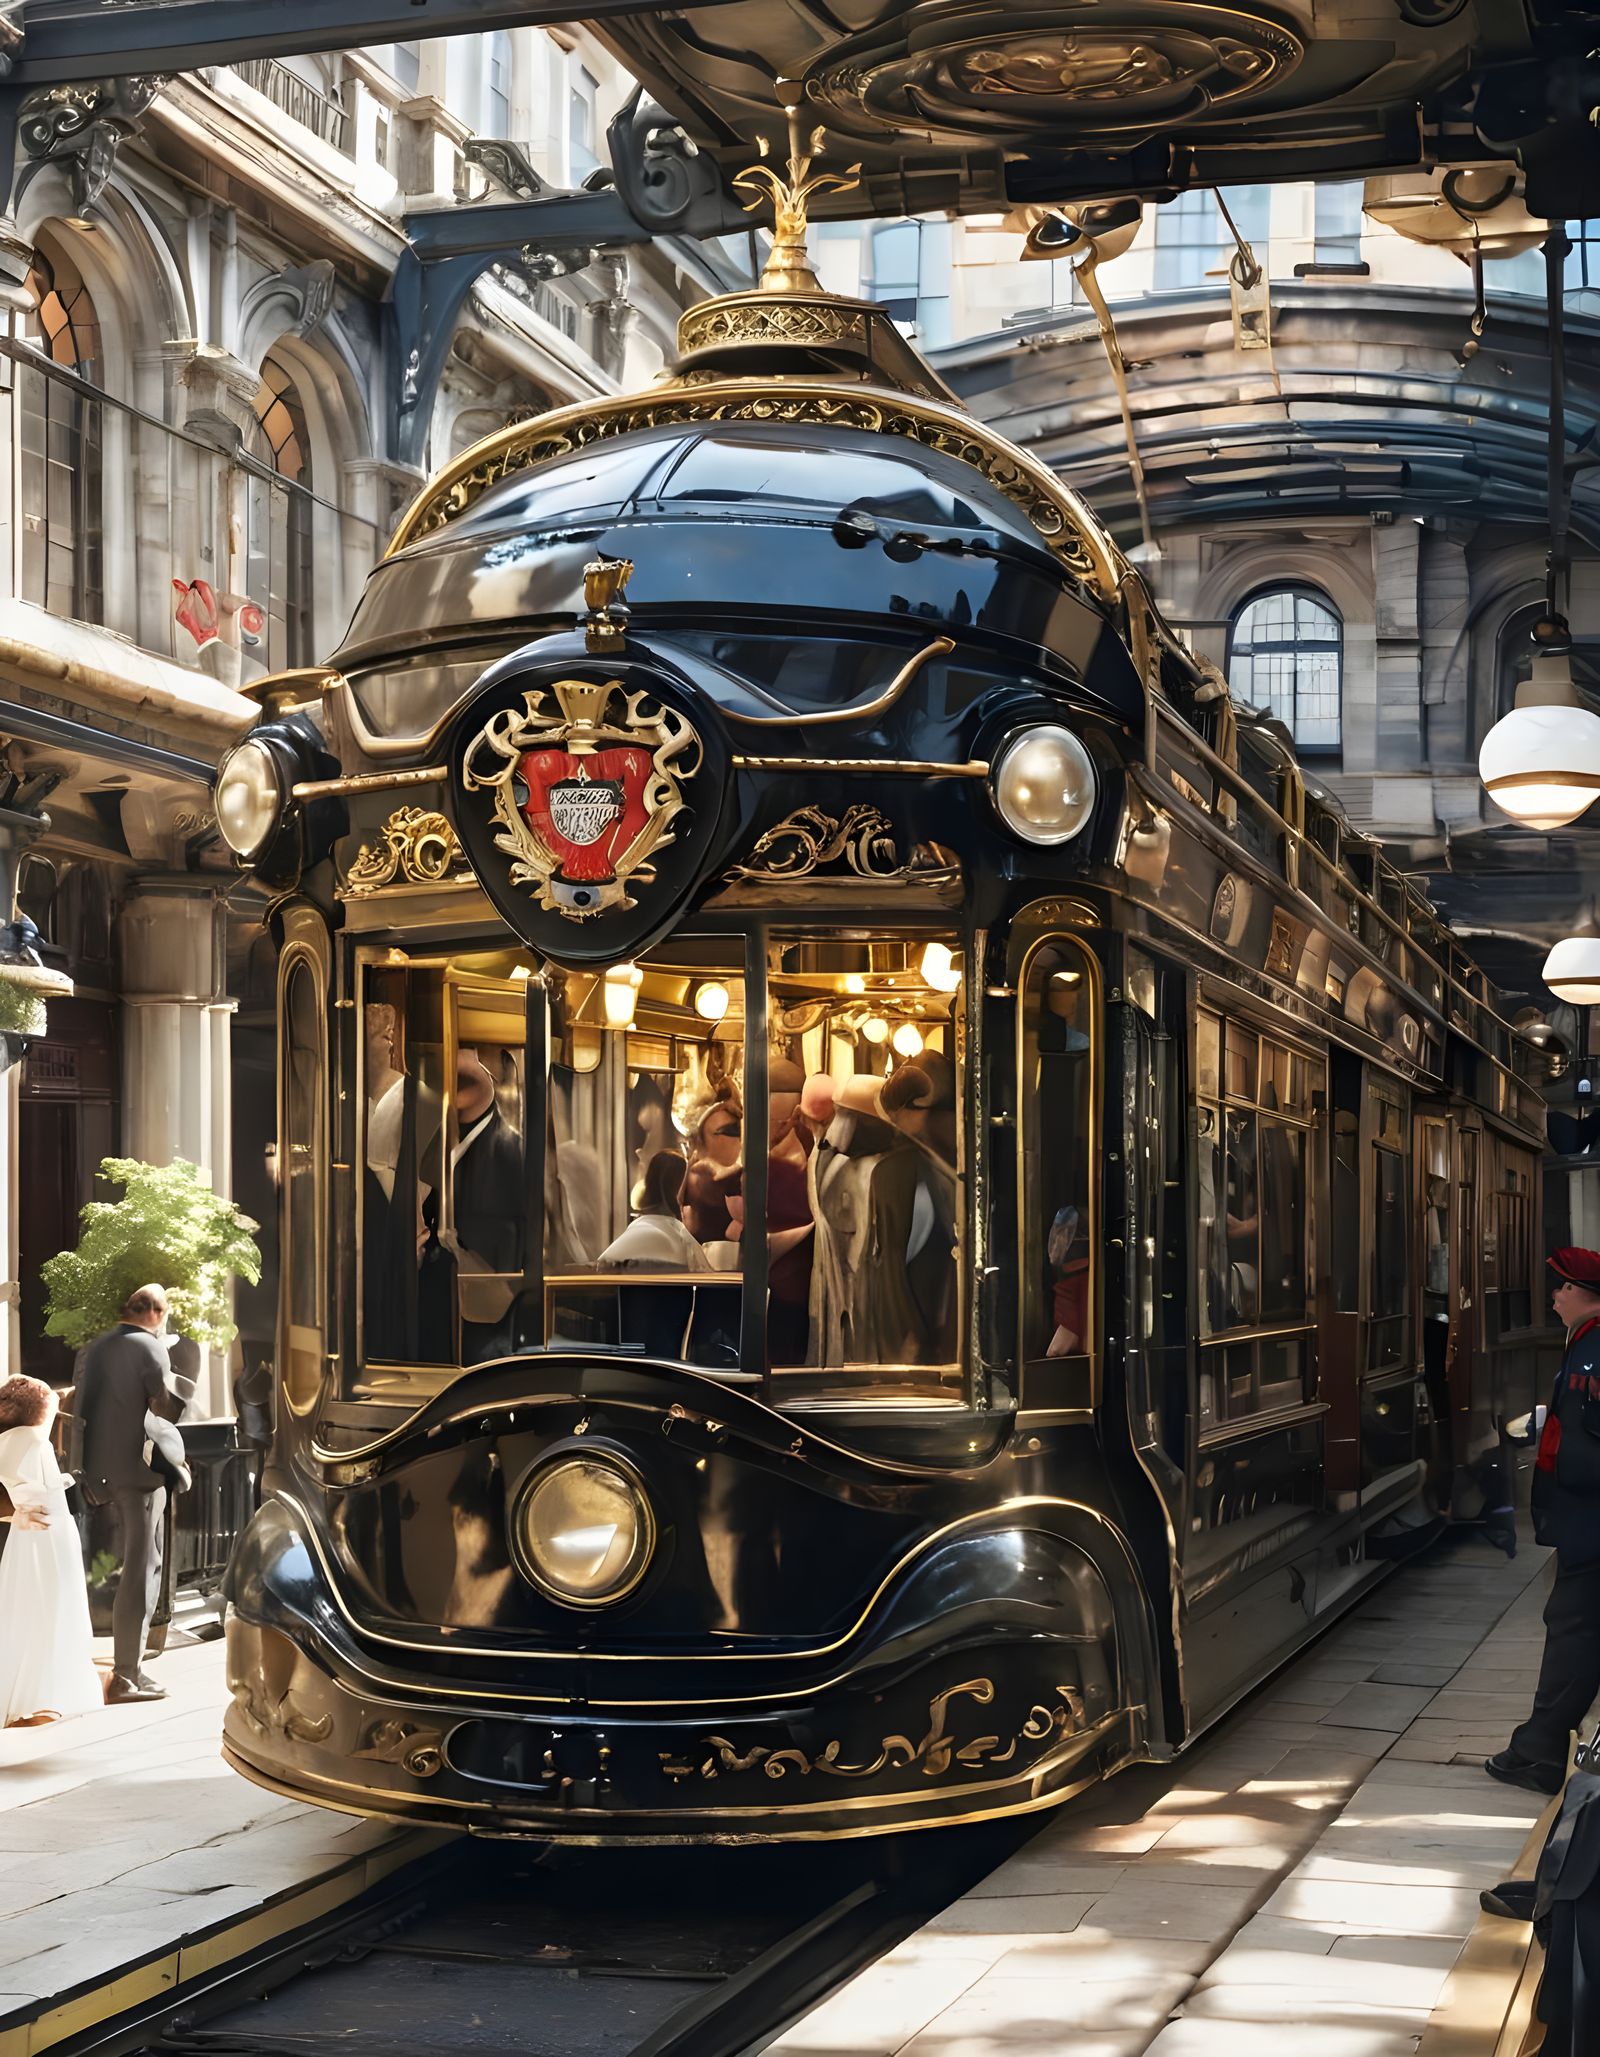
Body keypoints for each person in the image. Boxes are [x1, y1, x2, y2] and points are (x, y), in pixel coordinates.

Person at [1488, 1246, 1600, 1794]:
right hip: (1588, 1520)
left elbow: (1582, 1450)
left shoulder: (1591, 1352)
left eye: (1558, 1288)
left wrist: (1562, 1504)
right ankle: (1538, 1745)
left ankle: (1539, 1752)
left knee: (1574, 1630)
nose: (1553, 1298)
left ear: (1581, 1291)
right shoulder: (1585, 1345)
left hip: (1592, 1522)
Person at [77, 1283, 175, 1705]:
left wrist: (84, 1472)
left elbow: (82, 1408)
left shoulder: (96, 1347)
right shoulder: (152, 1348)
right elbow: (166, 1407)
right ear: (155, 1312)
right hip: (142, 1473)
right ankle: (127, 1675)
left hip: (101, 1472)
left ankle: (128, 1668)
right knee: (144, 1566)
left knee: (124, 1566)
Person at [0, 1375, 102, 1727]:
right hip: (45, 1537)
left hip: (33, 1535)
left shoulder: (14, 1439)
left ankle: (36, 1693)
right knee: (48, 1607)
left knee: (27, 1608)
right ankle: (42, 1693)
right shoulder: (30, 1440)